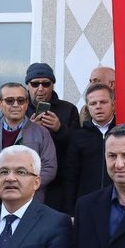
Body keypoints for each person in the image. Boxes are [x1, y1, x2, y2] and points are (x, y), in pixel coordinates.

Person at [0, 83, 57, 214]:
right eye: (10, 100)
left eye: (21, 100)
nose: (16, 105)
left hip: (29, 205)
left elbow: (49, 168)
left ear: (26, 104)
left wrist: (24, 184)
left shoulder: (41, 133)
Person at [25, 63, 80, 213]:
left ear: (52, 85)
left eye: (46, 84)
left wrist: (59, 129)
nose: (40, 88)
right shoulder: (20, 109)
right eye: (35, 84)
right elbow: (9, 145)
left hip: (59, 182)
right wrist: (30, 130)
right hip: (26, 179)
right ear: (28, 86)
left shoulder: (68, 109)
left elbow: (78, 143)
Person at [63, 83, 115, 212]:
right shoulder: (78, 136)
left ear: (113, 104)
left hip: (119, 203)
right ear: (88, 107)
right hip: (87, 205)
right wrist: (70, 211)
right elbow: (70, 177)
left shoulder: (123, 133)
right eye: (93, 103)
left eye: (103, 102)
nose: (98, 107)